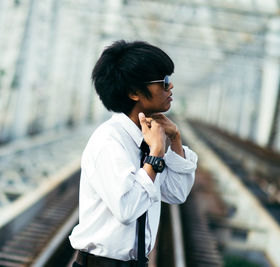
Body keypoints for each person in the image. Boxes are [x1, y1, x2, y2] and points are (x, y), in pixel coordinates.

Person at [69, 40, 198, 267]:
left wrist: (175, 139)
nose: (171, 87)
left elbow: (176, 193)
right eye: (164, 81)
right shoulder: (109, 141)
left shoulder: (146, 137)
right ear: (134, 92)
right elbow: (127, 208)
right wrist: (156, 155)